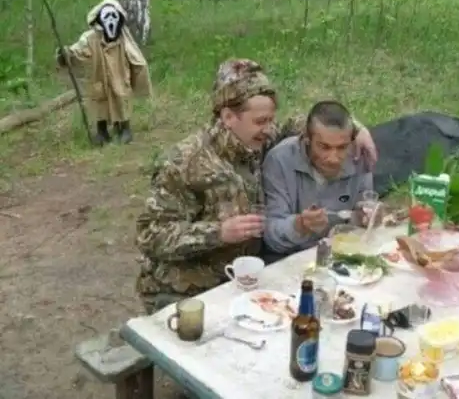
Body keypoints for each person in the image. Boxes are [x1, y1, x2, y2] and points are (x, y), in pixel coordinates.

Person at [135, 59, 377, 314]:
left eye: (271, 119)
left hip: (245, 279)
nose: (269, 128)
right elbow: (149, 235)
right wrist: (218, 233)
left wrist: (357, 130)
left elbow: (309, 124)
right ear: (228, 117)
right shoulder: (185, 163)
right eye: (261, 121)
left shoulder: (258, 138)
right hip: (185, 290)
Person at [262, 100, 374, 263]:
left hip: (341, 253)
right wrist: (300, 225)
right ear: (306, 139)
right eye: (324, 147)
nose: (333, 159)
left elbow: (362, 213)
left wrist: (367, 217)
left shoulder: (359, 156)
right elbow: (271, 236)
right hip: (291, 258)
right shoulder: (279, 160)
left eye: (342, 147)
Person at [56, 0, 152, 145]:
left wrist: (138, 74)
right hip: (100, 77)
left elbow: (135, 56)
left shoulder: (123, 38)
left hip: (120, 74)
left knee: (121, 98)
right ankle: (102, 132)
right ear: (100, 19)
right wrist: (66, 54)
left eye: (114, 16)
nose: (111, 20)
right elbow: (78, 50)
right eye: (107, 16)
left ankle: (124, 128)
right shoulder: (91, 38)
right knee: (100, 101)